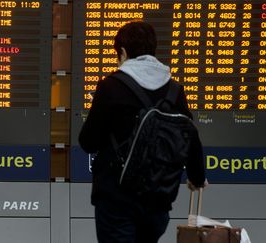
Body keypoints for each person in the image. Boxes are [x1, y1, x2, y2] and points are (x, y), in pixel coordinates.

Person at [79, 21, 207, 243]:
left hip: (116, 199)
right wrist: (197, 177)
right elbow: (189, 136)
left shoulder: (111, 86)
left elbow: (88, 141)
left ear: (123, 52)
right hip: (158, 200)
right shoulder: (175, 91)